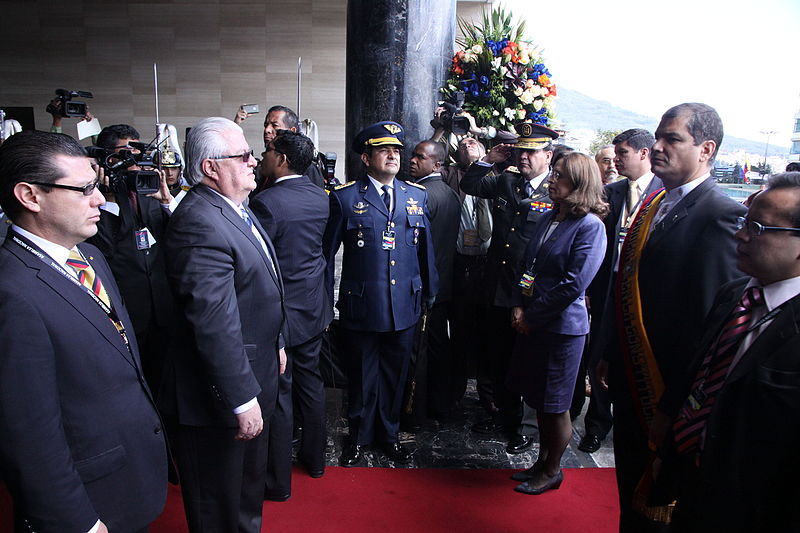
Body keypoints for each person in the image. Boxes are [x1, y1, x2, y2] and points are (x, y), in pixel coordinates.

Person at [0, 131, 167, 532]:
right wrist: (77, 521)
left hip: (128, 475)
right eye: (83, 190)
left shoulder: (88, 254)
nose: (99, 200)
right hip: (87, 504)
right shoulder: (12, 294)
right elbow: (29, 436)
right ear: (30, 196)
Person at [600, 103, 746, 532]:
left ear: (706, 149)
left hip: (667, 390)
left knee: (658, 501)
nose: (657, 147)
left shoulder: (719, 215)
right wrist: (612, 350)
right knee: (630, 486)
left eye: (672, 139)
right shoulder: (656, 202)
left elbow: (708, 324)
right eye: (657, 137)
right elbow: (629, 285)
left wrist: (673, 402)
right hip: (631, 372)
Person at [653, 172, 800, 532]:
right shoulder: (734, 293)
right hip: (692, 482)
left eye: (759, 228)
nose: (741, 235)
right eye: (745, 222)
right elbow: (699, 368)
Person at [162, 117, 287, 533]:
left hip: (256, 374)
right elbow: (213, 321)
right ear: (211, 167)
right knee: (218, 505)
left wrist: (278, 343)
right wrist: (240, 397)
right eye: (243, 156)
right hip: (220, 397)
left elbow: (259, 289)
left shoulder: (234, 207)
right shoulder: (199, 220)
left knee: (246, 496)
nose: (255, 161)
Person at [323, 121, 438, 466]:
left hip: (405, 304)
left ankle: (388, 435)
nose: (393, 155)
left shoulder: (416, 196)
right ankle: (358, 436)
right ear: (366, 157)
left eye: (397, 150)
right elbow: (325, 256)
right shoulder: (344, 198)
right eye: (384, 150)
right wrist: (324, 305)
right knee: (361, 376)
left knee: (394, 376)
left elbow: (425, 252)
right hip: (362, 306)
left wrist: (430, 295)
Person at [507, 151, 607, 494]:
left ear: (579, 183)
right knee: (538, 398)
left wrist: (532, 316)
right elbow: (527, 267)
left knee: (555, 405)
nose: (551, 181)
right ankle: (541, 462)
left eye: (559, 176)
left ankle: (551, 471)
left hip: (561, 330)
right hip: (533, 323)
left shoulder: (590, 226)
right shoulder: (551, 217)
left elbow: (573, 284)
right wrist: (520, 305)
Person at [460, 122, 559, 454]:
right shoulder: (507, 180)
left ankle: (525, 427)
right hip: (499, 287)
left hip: (532, 292)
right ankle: (504, 416)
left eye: (531, 152)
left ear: (548, 155)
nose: (524, 157)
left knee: (528, 361)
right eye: (521, 150)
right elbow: (471, 183)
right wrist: (489, 158)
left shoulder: (556, 191)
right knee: (498, 357)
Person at [250, 130, 332, 498]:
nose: (262, 157)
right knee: (312, 386)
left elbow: (260, 265)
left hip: (281, 316)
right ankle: (316, 462)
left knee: (281, 395)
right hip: (313, 309)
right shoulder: (320, 196)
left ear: (282, 159)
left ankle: (278, 482)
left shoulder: (266, 202)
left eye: (268, 151)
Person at [580, 128, 662, 454]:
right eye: (615, 154)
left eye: (623, 153)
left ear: (644, 154)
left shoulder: (663, 194)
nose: (616, 160)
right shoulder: (610, 193)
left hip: (641, 294)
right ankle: (597, 424)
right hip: (606, 290)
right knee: (598, 355)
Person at [88, 124, 178, 395]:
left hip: (162, 309)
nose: (133, 163)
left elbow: (178, 238)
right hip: (126, 309)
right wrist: (109, 200)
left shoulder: (149, 189)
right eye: (125, 155)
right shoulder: (97, 200)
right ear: (108, 158)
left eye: (137, 155)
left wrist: (166, 202)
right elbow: (102, 249)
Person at [406, 140, 461, 422]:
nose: (412, 160)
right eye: (413, 155)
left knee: (421, 351)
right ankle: (443, 404)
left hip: (423, 285)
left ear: (437, 164)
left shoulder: (420, 195)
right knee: (438, 347)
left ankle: (417, 410)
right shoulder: (450, 193)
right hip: (443, 284)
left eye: (420, 157)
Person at [441, 135, 496, 414]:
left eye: (473, 141)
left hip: (490, 267)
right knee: (460, 332)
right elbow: (431, 154)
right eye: (462, 143)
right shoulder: (450, 175)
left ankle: (488, 392)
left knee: (489, 333)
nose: (467, 144)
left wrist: (487, 161)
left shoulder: (499, 179)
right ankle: (456, 391)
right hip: (461, 264)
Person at [237, 104, 325, 190]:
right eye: (265, 125)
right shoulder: (265, 165)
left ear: (292, 131)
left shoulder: (307, 168)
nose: (267, 130)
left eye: (275, 125)